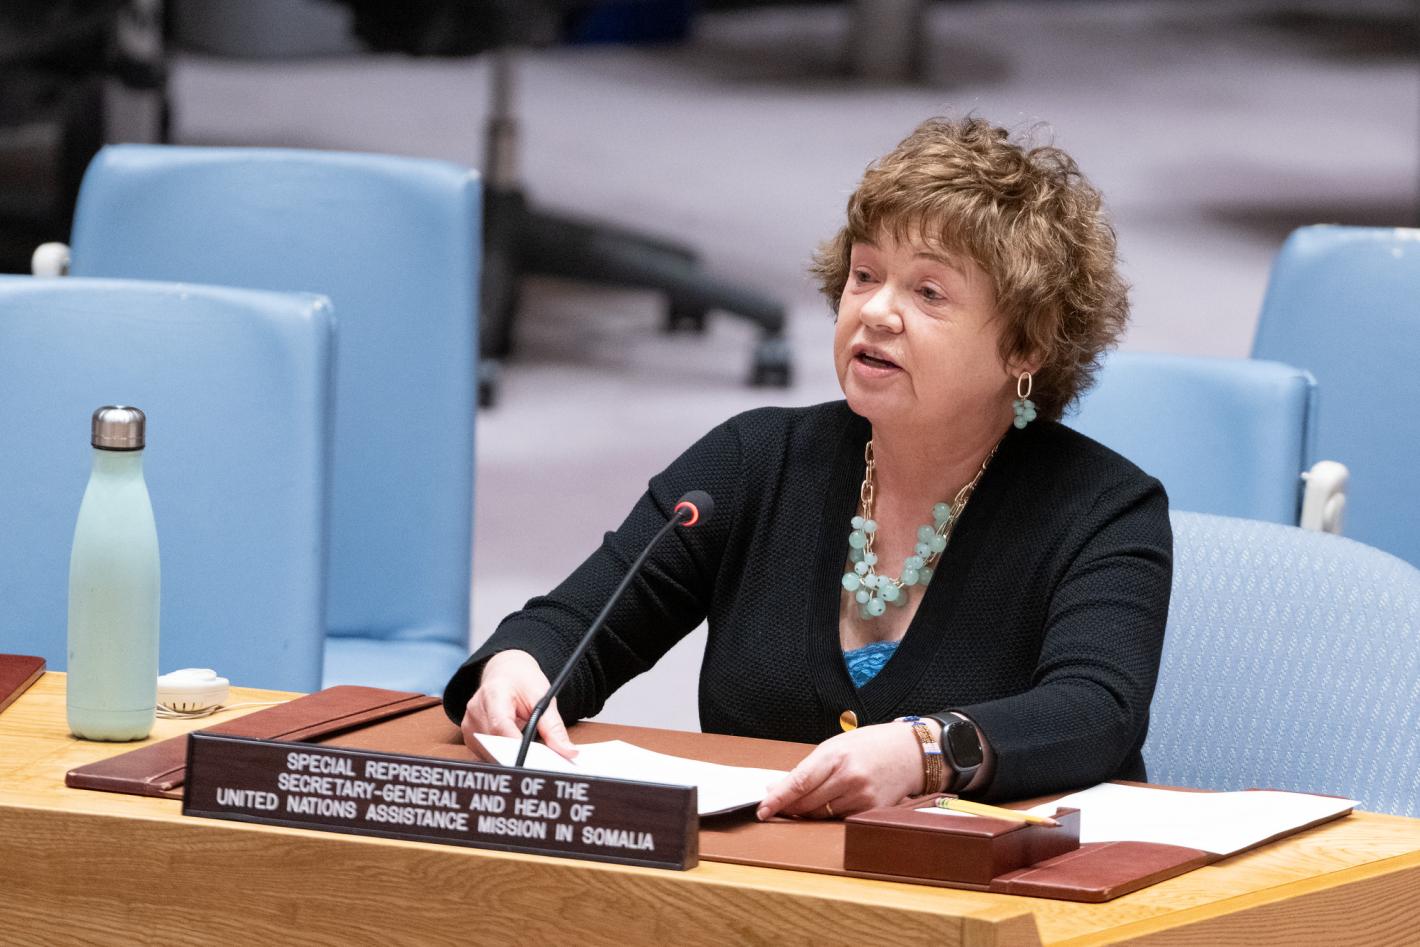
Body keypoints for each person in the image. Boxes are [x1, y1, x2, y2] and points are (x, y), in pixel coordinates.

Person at [443, 116, 1171, 818]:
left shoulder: (1104, 509)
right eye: (865, 274)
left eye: (928, 292)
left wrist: (926, 751)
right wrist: (517, 667)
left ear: (1026, 347)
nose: (876, 312)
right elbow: (577, 624)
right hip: (760, 876)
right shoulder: (754, 461)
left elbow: (1096, 711)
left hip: (996, 886)